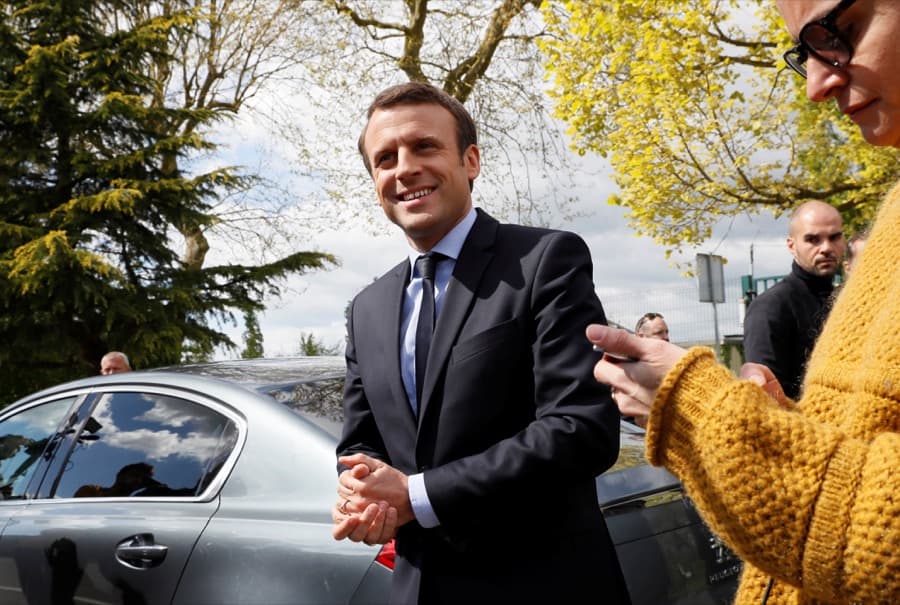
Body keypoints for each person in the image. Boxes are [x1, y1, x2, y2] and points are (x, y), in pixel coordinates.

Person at [586, 1, 900, 603]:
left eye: (838, 33)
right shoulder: (784, 299)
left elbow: (877, 533)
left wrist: (698, 410)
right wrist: (776, 423)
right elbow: (849, 444)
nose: (816, 84)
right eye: (802, 54)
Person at [332, 82, 628, 604]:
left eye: (425, 146)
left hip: (542, 585)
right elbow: (363, 443)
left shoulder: (544, 262)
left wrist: (416, 494)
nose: (404, 168)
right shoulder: (367, 309)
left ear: (471, 160)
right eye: (385, 159)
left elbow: (581, 429)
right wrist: (362, 495)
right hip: (420, 588)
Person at [741, 200, 845, 399]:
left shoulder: (848, 300)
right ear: (792, 245)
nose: (826, 247)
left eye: (834, 237)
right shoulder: (770, 307)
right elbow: (767, 397)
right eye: (813, 239)